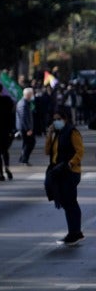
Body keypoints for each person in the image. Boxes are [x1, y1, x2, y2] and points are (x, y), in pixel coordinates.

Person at [44, 105, 83, 245]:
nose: (56, 122)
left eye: (59, 119)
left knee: (70, 202)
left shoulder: (72, 132)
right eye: (54, 120)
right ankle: (74, 232)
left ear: (65, 119)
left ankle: (75, 233)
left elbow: (80, 151)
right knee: (67, 202)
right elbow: (47, 152)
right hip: (58, 171)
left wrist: (70, 164)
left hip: (70, 172)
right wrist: (49, 135)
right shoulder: (57, 133)